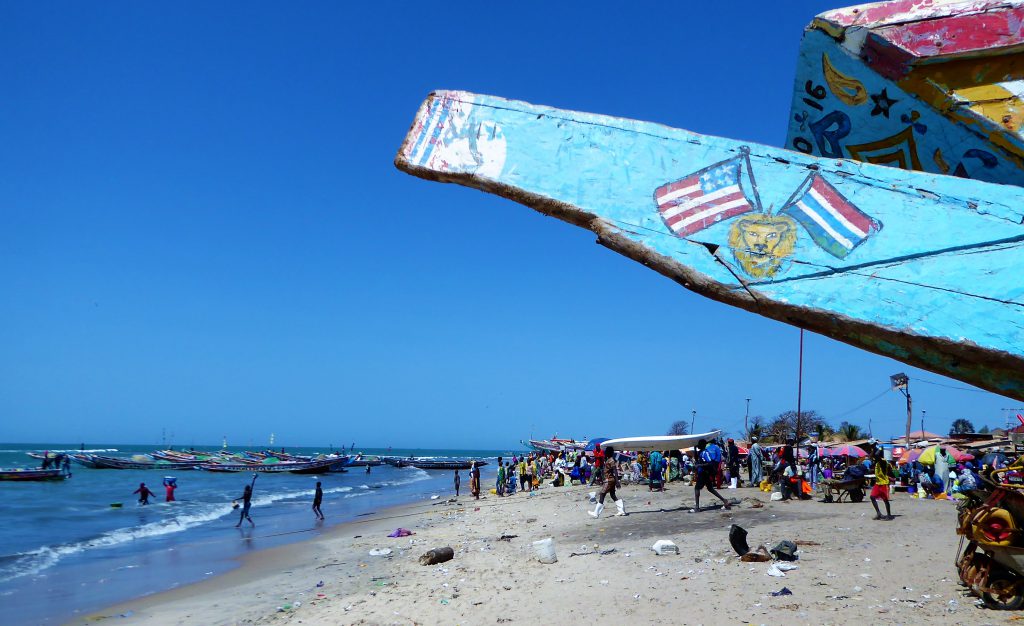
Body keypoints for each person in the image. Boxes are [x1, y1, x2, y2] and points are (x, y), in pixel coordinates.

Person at [693, 439, 731, 512]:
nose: (698, 445)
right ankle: (724, 501)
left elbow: (710, 463)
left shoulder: (705, 453)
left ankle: (697, 507)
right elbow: (696, 457)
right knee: (710, 488)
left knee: (697, 488)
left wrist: (699, 465)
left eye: (699, 444)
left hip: (704, 473)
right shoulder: (701, 452)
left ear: (702, 445)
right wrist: (694, 448)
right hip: (704, 472)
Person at [588, 446, 625, 518]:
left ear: (609, 452)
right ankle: (621, 511)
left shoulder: (611, 460)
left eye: (606, 452)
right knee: (612, 495)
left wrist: (617, 481)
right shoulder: (609, 459)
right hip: (610, 480)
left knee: (602, 494)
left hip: (609, 480)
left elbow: (615, 470)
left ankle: (596, 513)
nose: (605, 453)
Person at [870, 450, 894, 520]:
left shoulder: (883, 461)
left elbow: (877, 455)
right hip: (878, 483)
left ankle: (889, 515)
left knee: (885, 500)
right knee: (872, 497)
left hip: (884, 483)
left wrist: (879, 449)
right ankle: (878, 513)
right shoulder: (877, 462)